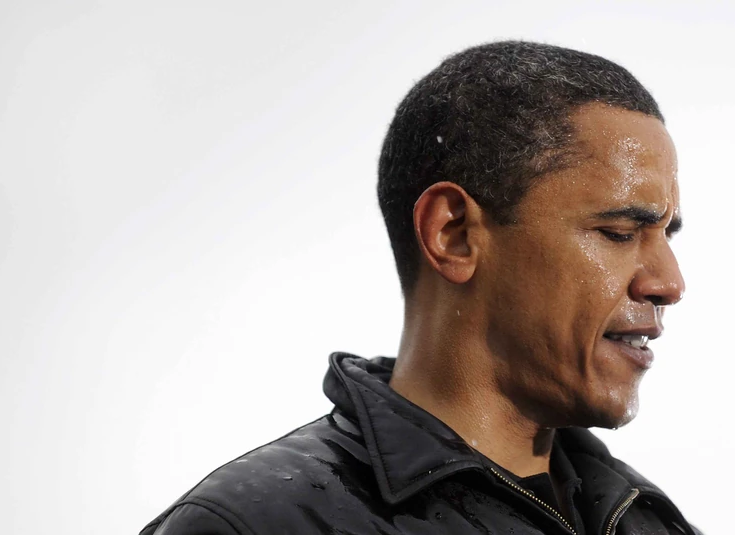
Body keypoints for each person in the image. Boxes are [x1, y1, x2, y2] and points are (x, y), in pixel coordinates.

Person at [139, 41, 701, 535]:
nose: (669, 283)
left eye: (666, 235)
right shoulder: (254, 525)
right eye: (620, 232)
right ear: (453, 235)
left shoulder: (655, 523)